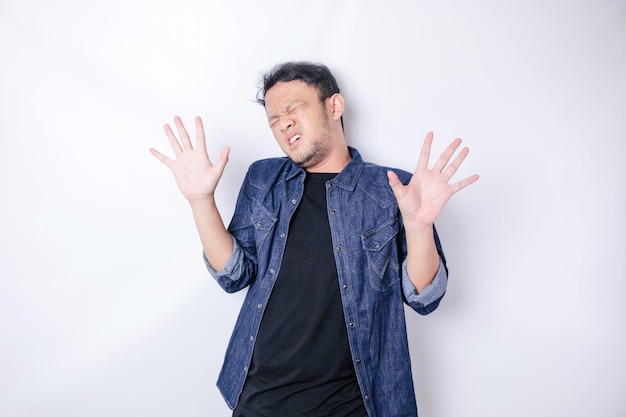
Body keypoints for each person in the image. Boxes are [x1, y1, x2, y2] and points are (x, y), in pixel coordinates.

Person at [150, 61, 478, 417]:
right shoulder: (263, 179)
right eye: (274, 120)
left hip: (355, 404)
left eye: (293, 110)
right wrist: (200, 201)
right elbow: (234, 276)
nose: (283, 123)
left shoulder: (393, 190)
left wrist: (418, 227)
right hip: (260, 400)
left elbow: (425, 297)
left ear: (334, 106)